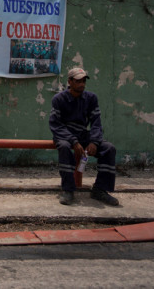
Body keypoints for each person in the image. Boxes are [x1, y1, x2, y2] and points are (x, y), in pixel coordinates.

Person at [49, 67, 119, 206]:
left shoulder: (91, 98)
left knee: (109, 148)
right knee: (63, 147)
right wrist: (73, 141)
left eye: (83, 81)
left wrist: (94, 141)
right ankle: (68, 190)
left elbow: (96, 123)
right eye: (78, 81)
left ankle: (100, 190)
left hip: (83, 135)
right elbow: (56, 125)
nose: (82, 84)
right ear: (70, 81)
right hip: (64, 136)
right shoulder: (59, 99)